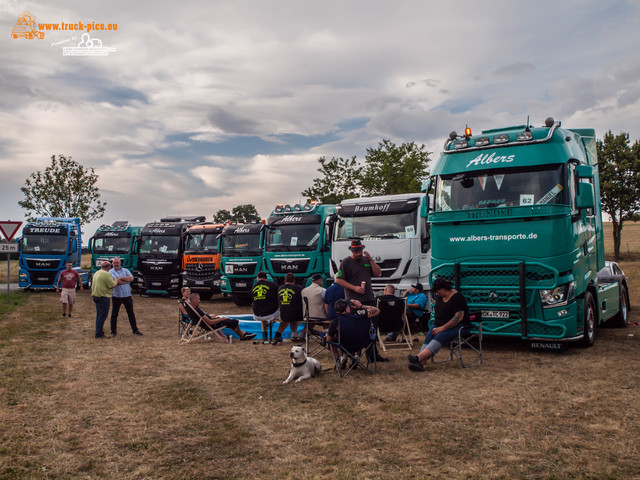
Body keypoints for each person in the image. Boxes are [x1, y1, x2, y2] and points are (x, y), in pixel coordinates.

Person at [407, 278, 470, 372]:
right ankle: (420, 363)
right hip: (439, 324)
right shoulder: (440, 297)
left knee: (440, 336)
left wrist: (442, 328)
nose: (436, 293)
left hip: (457, 325)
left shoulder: (457, 297)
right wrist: (438, 326)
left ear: (442, 289)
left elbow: (458, 317)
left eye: (437, 291)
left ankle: (417, 359)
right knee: (429, 335)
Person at [188, 293, 256, 341]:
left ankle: (244, 335)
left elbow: (207, 319)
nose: (199, 301)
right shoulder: (197, 310)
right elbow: (210, 322)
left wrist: (212, 317)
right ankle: (243, 335)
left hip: (211, 323)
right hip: (214, 324)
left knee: (232, 322)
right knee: (233, 322)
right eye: (198, 299)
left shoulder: (192, 309)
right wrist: (221, 319)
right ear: (194, 300)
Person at [334, 240, 381, 305]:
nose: (359, 254)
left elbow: (378, 273)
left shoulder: (367, 260)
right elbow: (338, 280)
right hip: (353, 300)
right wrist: (354, 288)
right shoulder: (345, 262)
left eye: (360, 251)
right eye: (356, 252)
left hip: (369, 298)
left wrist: (370, 260)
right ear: (352, 251)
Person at [109, 257, 142, 337]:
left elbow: (131, 279)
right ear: (112, 264)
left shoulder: (126, 270)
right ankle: (113, 331)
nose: (116, 264)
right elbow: (115, 281)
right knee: (114, 314)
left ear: (120, 263)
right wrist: (124, 280)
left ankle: (135, 330)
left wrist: (120, 278)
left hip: (127, 295)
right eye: (114, 263)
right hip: (116, 296)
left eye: (117, 262)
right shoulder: (110, 272)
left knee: (131, 313)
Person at [274, 273, 304, 344]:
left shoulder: (280, 288)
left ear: (285, 280)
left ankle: (278, 334)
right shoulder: (299, 288)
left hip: (284, 314)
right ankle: (296, 334)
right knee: (294, 312)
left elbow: (278, 302)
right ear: (294, 280)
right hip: (296, 314)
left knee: (287, 315)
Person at [91, 260, 118, 339]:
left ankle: (99, 331)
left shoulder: (97, 272)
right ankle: (99, 333)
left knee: (99, 315)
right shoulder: (106, 274)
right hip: (103, 296)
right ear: (109, 267)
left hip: (96, 295)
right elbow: (112, 285)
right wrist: (116, 281)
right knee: (103, 315)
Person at [252, 271, 280, 344]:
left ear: (257, 278)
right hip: (270, 314)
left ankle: (265, 336)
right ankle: (278, 334)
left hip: (257, 315)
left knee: (262, 311)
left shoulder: (254, 287)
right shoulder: (273, 285)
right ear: (266, 278)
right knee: (286, 315)